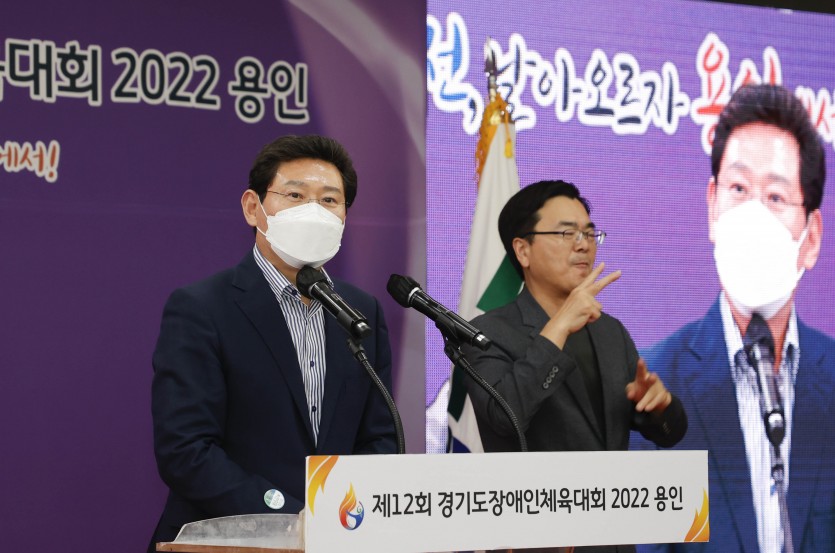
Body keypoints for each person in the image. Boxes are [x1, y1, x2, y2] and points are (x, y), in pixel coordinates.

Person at [148, 135, 396, 549]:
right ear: (253, 208)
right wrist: (289, 515)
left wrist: (337, 518)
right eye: (295, 195)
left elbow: (380, 437)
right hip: (230, 540)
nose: (314, 211)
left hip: (338, 538)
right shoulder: (202, 308)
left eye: (329, 200)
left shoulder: (360, 310)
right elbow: (186, 450)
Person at [637, 84, 835, 553]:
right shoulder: (654, 386)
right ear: (712, 206)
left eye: (775, 197)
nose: (752, 217)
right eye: (739, 190)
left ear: (811, 238)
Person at [461, 179, 688, 553]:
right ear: (523, 251)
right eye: (566, 233)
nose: (583, 245)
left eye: (589, 233)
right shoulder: (486, 334)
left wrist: (659, 407)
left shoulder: (610, 332)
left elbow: (669, 434)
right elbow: (505, 416)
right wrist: (559, 327)